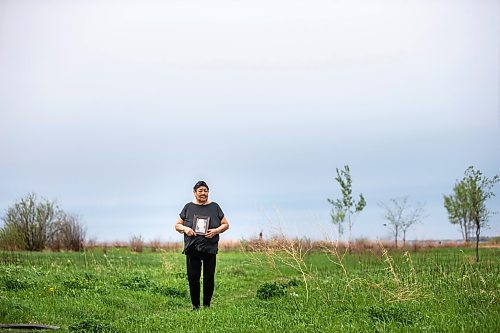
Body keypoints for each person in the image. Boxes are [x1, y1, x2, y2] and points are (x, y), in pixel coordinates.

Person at [175, 181, 229, 310]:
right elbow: (177, 225)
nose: (203, 193)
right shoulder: (188, 207)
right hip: (192, 248)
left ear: (208, 192)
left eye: (205, 190)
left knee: (209, 278)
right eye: (200, 191)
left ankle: (206, 305)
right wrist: (185, 229)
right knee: (193, 278)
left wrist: (216, 230)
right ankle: (195, 306)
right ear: (194, 193)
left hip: (210, 248)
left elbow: (226, 224)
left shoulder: (215, 206)